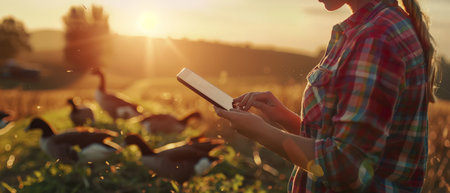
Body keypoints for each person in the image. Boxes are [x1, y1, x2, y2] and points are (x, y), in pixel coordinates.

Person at [214, 0, 436, 192]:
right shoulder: (381, 25)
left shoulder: (375, 38)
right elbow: (348, 140)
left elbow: (346, 166)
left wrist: (260, 131)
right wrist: (283, 117)